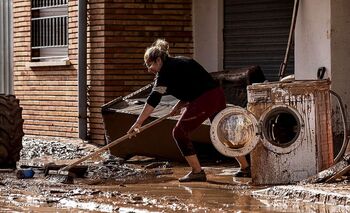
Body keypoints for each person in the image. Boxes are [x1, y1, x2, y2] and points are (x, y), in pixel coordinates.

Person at [127, 38, 250, 182]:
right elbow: (193, 85)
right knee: (222, 131)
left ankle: (197, 171)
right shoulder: (181, 62)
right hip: (216, 95)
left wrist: (138, 122)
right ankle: (245, 167)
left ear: (159, 60)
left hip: (205, 100)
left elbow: (153, 99)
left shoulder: (165, 72)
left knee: (179, 132)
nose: (149, 69)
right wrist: (179, 104)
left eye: (150, 65)